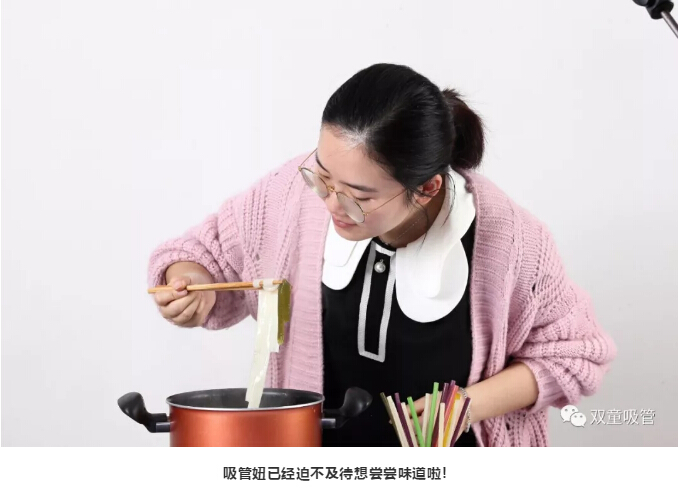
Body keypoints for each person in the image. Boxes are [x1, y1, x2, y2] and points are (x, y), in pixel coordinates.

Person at [148, 63, 616, 446]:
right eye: (322, 175)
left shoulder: (512, 241)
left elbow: (574, 357)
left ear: (427, 188)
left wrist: (464, 408)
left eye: (359, 196)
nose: (330, 203)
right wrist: (191, 285)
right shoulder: (291, 194)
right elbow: (200, 253)